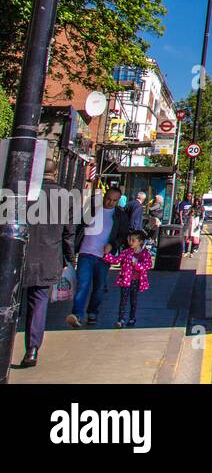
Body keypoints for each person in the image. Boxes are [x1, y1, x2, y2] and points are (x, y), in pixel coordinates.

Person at [18, 156, 76, 368]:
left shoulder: (25, 193)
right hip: (49, 257)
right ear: (56, 172)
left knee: (10, 300)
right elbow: (69, 233)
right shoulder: (66, 197)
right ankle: (32, 349)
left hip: (21, 255)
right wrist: (69, 259)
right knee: (38, 303)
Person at [67, 184, 127, 328]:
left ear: (118, 201)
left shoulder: (120, 216)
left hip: (103, 257)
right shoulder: (92, 209)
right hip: (86, 252)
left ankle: (92, 312)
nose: (110, 202)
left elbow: (123, 235)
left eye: (114, 200)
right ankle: (77, 315)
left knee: (99, 287)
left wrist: (112, 245)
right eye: (108, 199)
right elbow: (78, 226)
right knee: (83, 284)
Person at [104, 230, 153, 328]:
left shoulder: (145, 254)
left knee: (133, 300)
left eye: (133, 240)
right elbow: (116, 260)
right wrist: (106, 255)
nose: (130, 242)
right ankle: (121, 319)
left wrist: (137, 265)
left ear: (140, 242)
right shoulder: (126, 252)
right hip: (125, 280)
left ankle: (132, 318)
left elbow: (148, 265)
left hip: (137, 280)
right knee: (123, 300)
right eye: (129, 240)